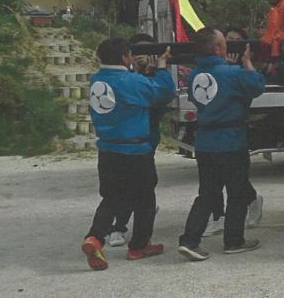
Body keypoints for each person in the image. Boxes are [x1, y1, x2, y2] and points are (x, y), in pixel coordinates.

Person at [81, 38, 175, 270]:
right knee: (145, 198)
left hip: (108, 148)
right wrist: (162, 67)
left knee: (112, 197)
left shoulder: (98, 80)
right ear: (125, 57)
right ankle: (139, 245)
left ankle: (95, 237)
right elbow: (163, 92)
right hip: (134, 149)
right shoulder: (129, 80)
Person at [176, 27, 264, 261]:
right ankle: (233, 240)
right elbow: (256, 86)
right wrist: (246, 63)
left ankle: (190, 240)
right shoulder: (231, 73)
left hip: (205, 141)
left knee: (206, 193)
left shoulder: (195, 75)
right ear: (217, 48)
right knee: (236, 193)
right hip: (230, 139)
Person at [106, 32, 167, 248]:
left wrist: (154, 72)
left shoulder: (151, 76)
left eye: (148, 52)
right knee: (122, 185)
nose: (143, 57)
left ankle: (139, 230)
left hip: (146, 135)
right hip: (124, 138)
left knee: (145, 183)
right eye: (139, 52)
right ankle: (118, 226)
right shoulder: (125, 76)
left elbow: (161, 98)